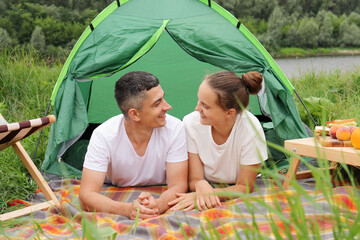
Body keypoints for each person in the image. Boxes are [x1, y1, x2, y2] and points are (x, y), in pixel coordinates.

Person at [79, 71, 188, 220]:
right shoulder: (104, 135)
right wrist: (127, 209)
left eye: (163, 98)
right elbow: (86, 196)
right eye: (158, 103)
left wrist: (159, 204)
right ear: (135, 114)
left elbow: (178, 185)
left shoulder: (175, 128)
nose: (167, 106)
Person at [168, 71, 268, 212]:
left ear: (229, 113)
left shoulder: (250, 129)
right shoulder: (191, 123)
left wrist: (204, 195)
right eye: (199, 101)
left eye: (205, 106)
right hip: (207, 184)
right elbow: (194, 179)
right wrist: (200, 184)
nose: (197, 109)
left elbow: (244, 187)